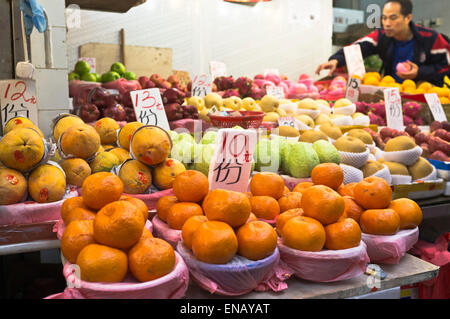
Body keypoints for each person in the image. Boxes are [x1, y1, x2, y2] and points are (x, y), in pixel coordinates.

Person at [316, 0, 450, 86]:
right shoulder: (382, 36)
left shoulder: (431, 38)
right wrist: (336, 60)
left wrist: (419, 72)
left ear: (408, 18)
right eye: (384, 18)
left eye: (393, 18)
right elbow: (359, 47)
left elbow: (446, 67)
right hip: (390, 94)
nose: (386, 23)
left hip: (424, 95)